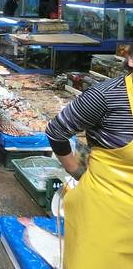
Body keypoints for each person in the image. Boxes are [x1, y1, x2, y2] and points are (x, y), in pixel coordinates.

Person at [45, 45, 133, 267]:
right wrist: (75, 170)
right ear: (131, 59)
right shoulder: (105, 96)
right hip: (105, 218)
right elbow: (56, 131)